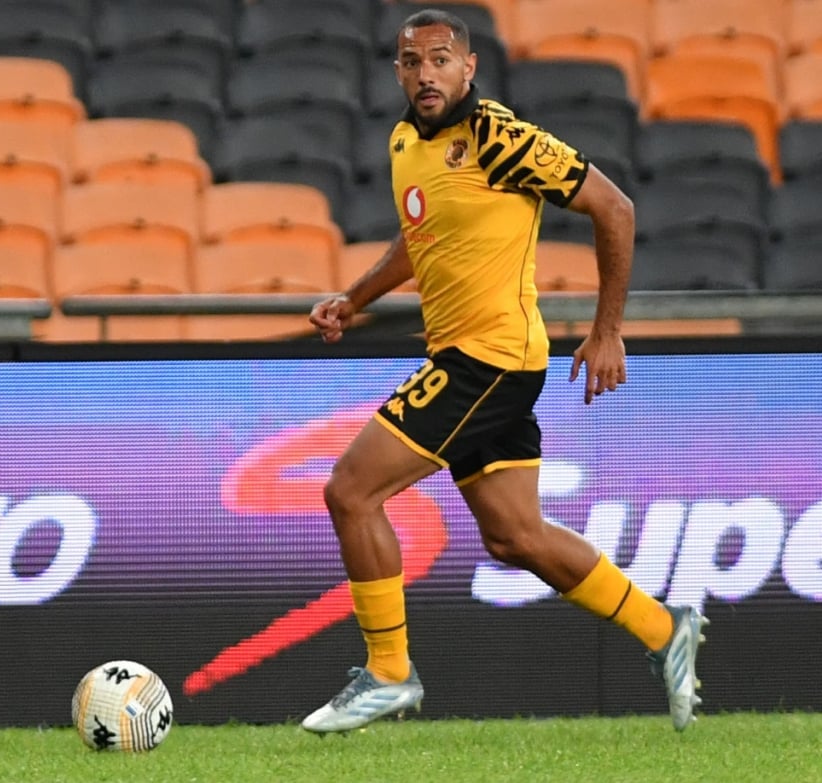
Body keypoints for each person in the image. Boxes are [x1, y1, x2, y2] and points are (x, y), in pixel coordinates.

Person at [302, 9, 707, 734]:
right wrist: (353, 300)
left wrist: (607, 330)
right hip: (473, 360)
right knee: (515, 536)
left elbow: (614, 207)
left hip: (486, 359)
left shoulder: (498, 136)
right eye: (411, 61)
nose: (425, 73)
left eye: (439, 59)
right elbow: (417, 235)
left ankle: (390, 672)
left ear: (469, 67)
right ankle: (662, 626)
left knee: (351, 490)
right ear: (397, 72)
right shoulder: (405, 142)